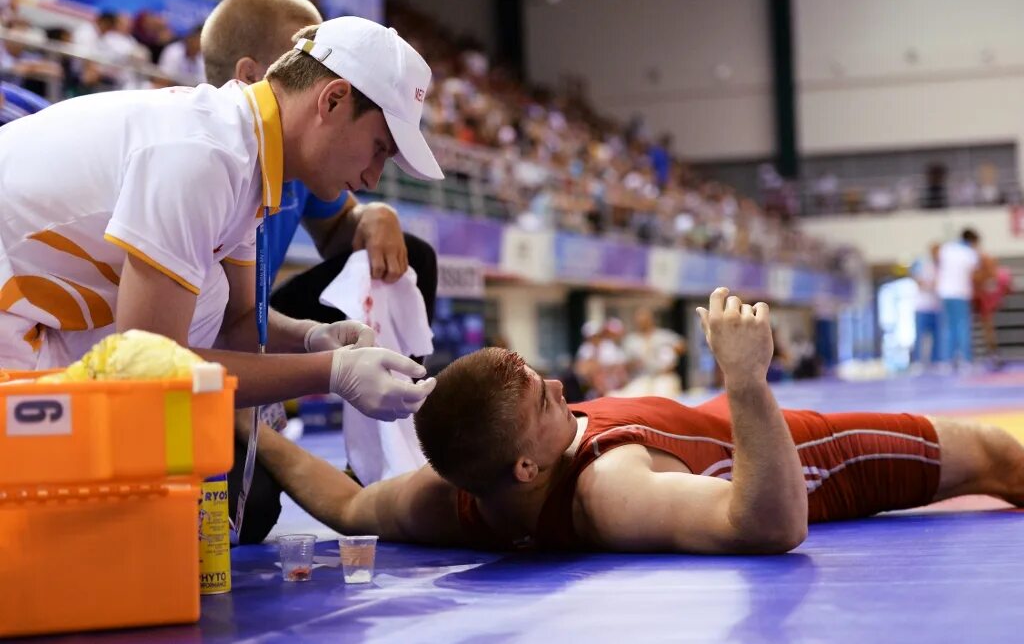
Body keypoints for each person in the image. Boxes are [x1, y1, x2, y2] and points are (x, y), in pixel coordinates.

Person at [247, 288, 1024, 554]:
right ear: (526, 467)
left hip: (703, 417)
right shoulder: (609, 489)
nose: (558, 384)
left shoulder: (452, 489)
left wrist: (255, 432)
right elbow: (772, 525)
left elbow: (348, 504)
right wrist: (748, 380)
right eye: (543, 398)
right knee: (996, 454)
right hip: (770, 449)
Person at [0, 17, 441, 422]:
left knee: (208, 291)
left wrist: (311, 336)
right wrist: (331, 373)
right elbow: (149, 373)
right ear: (334, 99)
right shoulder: (206, 156)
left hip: (29, 309)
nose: (374, 176)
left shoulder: (241, 142)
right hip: (14, 317)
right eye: (380, 148)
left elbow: (239, 321)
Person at [199, 0, 441, 542]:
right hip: (181, 346)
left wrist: (375, 216)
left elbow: (243, 315)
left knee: (403, 254)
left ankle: (388, 446)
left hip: (240, 328)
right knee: (246, 512)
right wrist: (327, 371)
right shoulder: (213, 162)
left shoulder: (279, 168)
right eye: (302, 53)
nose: (314, 59)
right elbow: (163, 355)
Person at [936, 228, 981, 368]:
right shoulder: (970, 253)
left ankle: (947, 360)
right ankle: (965, 359)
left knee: (948, 327)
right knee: (962, 326)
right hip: (960, 293)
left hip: (944, 292)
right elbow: (975, 275)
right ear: (972, 241)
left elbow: (938, 264)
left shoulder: (946, 248)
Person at [910, 243, 941, 368]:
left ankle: (935, 361)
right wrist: (931, 285)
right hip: (922, 307)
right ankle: (918, 361)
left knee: (937, 337)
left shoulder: (940, 266)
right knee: (920, 336)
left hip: (936, 307)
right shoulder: (922, 263)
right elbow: (918, 281)